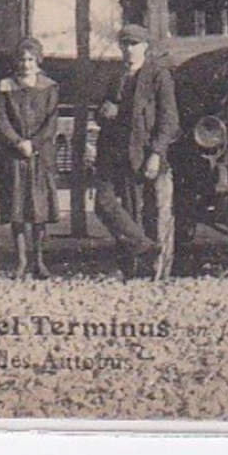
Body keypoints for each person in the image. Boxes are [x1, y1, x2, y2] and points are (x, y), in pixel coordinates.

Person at [95, 24, 179, 280]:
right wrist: (103, 112)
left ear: (145, 47)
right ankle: (145, 247)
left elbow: (169, 120)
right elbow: (105, 111)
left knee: (143, 210)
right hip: (115, 152)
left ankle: (137, 267)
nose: (129, 50)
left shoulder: (157, 75)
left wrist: (155, 153)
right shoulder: (116, 76)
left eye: (135, 45)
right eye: (125, 45)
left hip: (143, 152)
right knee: (104, 204)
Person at [0, 37, 59, 279]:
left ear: (38, 61)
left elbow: (52, 122)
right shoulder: (5, 87)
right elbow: (0, 119)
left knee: (39, 210)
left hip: (40, 156)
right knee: (17, 209)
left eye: (31, 59)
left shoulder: (49, 87)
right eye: (22, 59)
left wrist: (35, 143)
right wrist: (18, 142)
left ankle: (39, 261)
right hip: (15, 155)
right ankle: (20, 262)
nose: (26, 64)